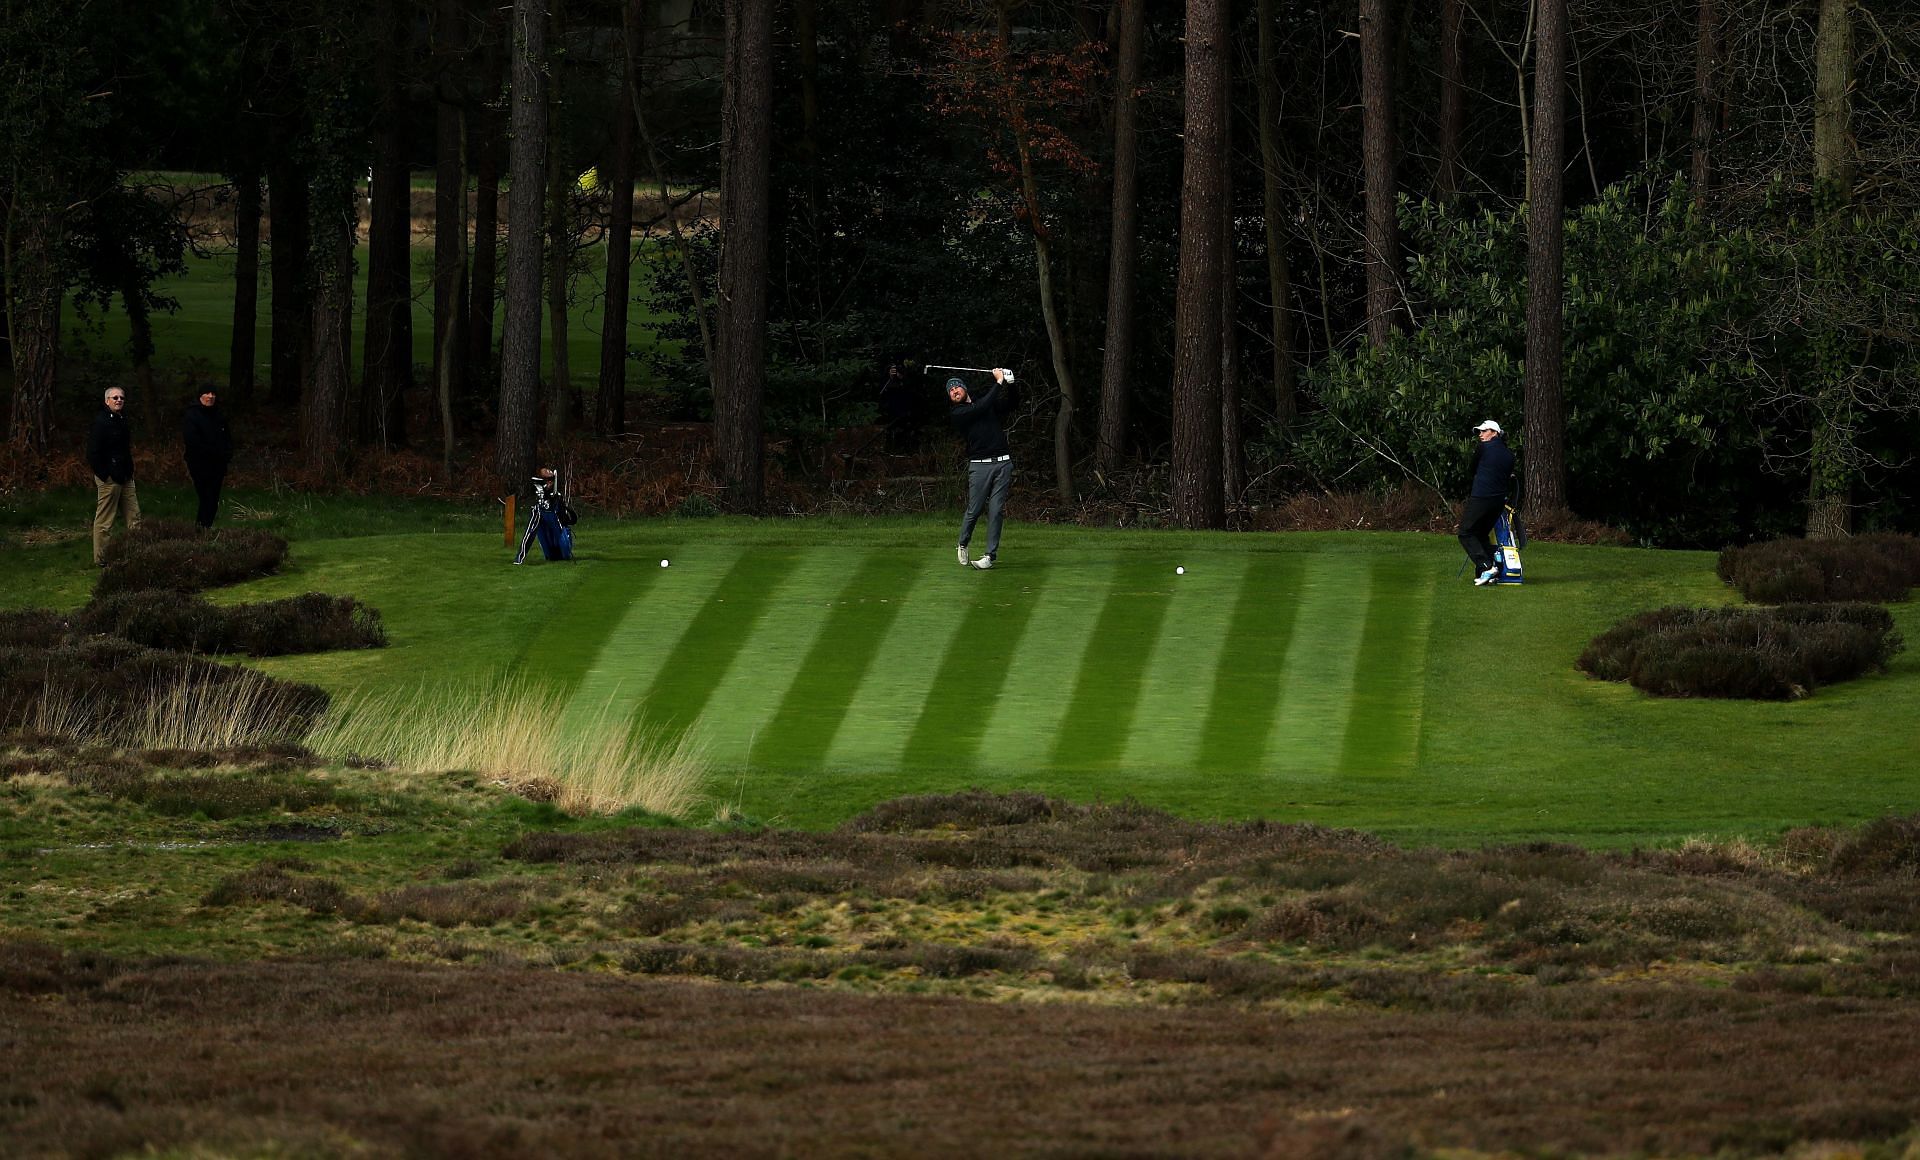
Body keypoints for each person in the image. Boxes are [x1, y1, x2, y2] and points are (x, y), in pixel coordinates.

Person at [949, 368, 1015, 570]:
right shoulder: (958, 413)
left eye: (956, 386)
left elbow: (1012, 405)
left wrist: (1012, 385)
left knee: (996, 511)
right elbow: (982, 406)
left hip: (1003, 463)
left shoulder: (985, 402)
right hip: (979, 466)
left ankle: (989, 556)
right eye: (950, 391)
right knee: (975, 509)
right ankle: (963, 543)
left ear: (965, 388)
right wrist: (998, 382)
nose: (953, 391)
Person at [86, 386, 141, 566]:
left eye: (122, 398)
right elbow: (93, 453)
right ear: (107, 401)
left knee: (134, 517)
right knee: (105, 521)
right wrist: (105, 474)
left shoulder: (122, 419)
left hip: (126, 475)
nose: (119, 400)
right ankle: (102, 559)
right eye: (115, 397)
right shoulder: (101, 422)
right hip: (110, 478)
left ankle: (137, 553)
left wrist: (129, 470)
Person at [1459, 418, 1515, 586]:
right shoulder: (1509, 454)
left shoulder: (1483, 448)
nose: (1480, 435)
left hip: (1482, 497)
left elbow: (1472, 468)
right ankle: (1489, 573)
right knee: (1481, 534)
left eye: (1484, 431)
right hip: (1498, 502)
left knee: (1465, 532)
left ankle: (1487, 566)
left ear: (1495, 433)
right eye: (1480, 432)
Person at [181, 385, 233, 529]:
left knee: (213, 499)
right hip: (200, 464)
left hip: (219, 464)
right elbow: (192, 441)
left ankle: (204, 528)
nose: (210, 396)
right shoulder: (192, 415)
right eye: (207, 393)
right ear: (200, 396)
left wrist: (227, 454)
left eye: (213, 393)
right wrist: (212, 453)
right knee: (206, 497)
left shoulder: (219, 414)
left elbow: (227, 437)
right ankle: (201, 529)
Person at [878, 361, 917, 454]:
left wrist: (902, 378)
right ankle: (889, 448)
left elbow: (911, 391)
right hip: (891, 408)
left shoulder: (909, 378)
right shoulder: (887, 379)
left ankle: (905, 449)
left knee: (905, 430)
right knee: (890, 428)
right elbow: (882, 393)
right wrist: (890, 377)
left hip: (906, 408)